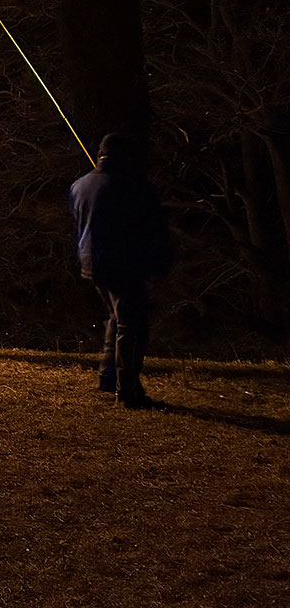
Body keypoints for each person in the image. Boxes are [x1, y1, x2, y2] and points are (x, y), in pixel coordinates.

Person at [69, 133, 175, 411]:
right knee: (131, 325)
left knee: (117, 320)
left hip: (92, 263)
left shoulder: (80, 186)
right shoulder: (130, 187)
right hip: (122, 264)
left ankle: (110, 377)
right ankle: (127, 392)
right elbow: (146, 227)